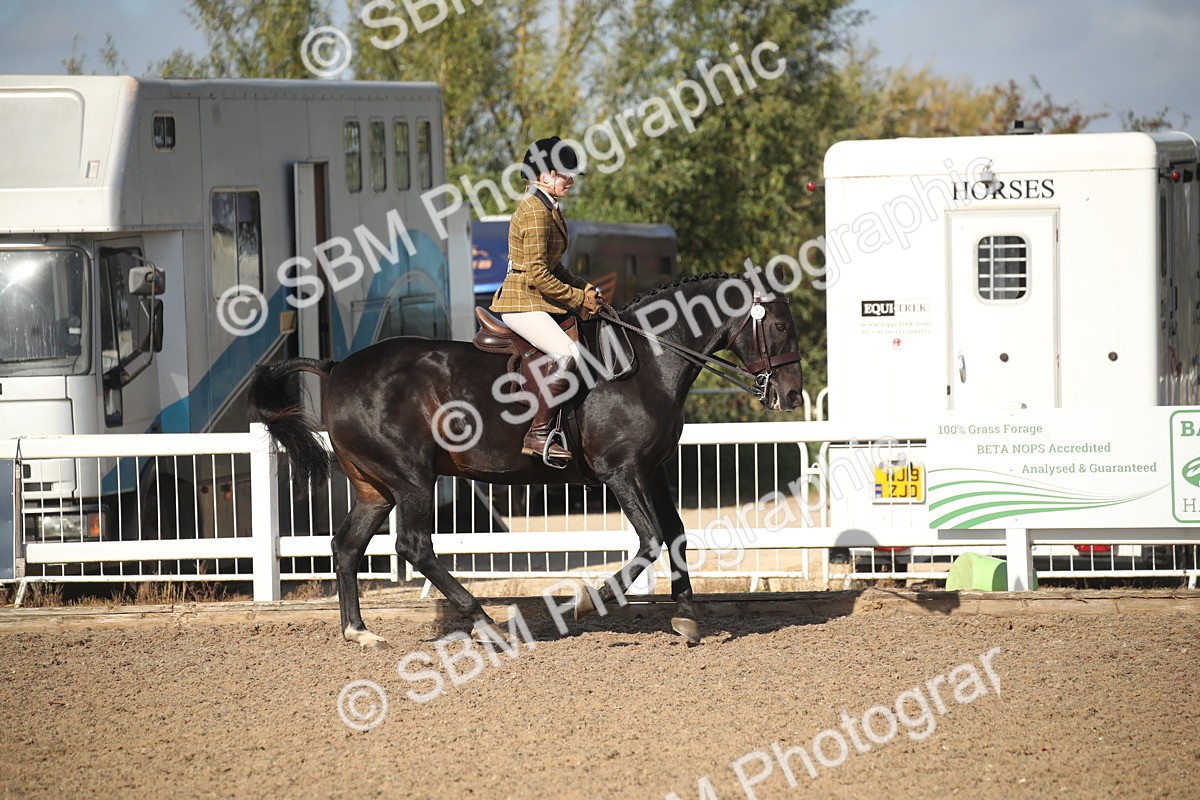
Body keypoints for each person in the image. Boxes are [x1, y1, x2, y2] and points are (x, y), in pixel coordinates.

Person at [490, 137, 600, 461]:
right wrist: (578, 298)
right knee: (568, 355)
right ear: (543, 176)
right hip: (521, 302)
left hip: (534, 297)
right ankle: (538, 435)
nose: (571, 179)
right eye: (564, 173)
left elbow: (554, 266)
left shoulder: (548, 208)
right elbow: (538, 274)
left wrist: (585, 288)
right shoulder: (535, 211)